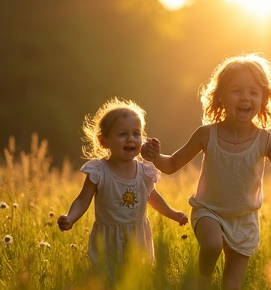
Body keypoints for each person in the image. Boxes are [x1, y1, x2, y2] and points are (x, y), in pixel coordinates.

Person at [142, 53, 271, 290]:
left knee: (232, 289)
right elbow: (173, 163)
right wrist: (155, 156)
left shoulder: (265, 140)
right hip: (209, 210)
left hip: (245, 220)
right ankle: (201, 284)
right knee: (212, 245)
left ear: (263, 99)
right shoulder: (206, 134)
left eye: (253, 92)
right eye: (237, 91)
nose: (245, 98)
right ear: (221, 97)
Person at [58, 97, 188, 280]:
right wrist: (70, 218)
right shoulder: (99, 171)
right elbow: (82, 200)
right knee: (107, 283)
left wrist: (174, 214)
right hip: (108, 239)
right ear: (104, 142)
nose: (131, 139)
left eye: (136, 133)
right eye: (122, 134)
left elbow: (153, 198)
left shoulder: (145, 171)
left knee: (136, 283)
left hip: (137, 237)